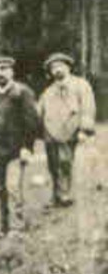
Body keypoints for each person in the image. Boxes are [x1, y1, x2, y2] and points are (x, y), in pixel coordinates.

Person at [0, 55, 44, 235]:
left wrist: (27, 147)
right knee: (0, 189)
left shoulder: (22, 92)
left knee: (12, 187)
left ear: (11, 71)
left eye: (4, 69)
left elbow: (31, 122)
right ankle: (4, 226)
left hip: (16, 150)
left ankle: (17, 226)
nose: (0, 73)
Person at [38, 52, 97, 209]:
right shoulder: (48, 92)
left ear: (68, 67)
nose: (56, 70)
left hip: (72, 130)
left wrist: (85, 129)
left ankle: (66, 193)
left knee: (66, 162)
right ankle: (55, 194)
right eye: (53, 67)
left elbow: (88, 107)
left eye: (60, 66)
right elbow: (39, 111)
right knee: (52, 165)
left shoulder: (81, 85)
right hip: (51, 132)